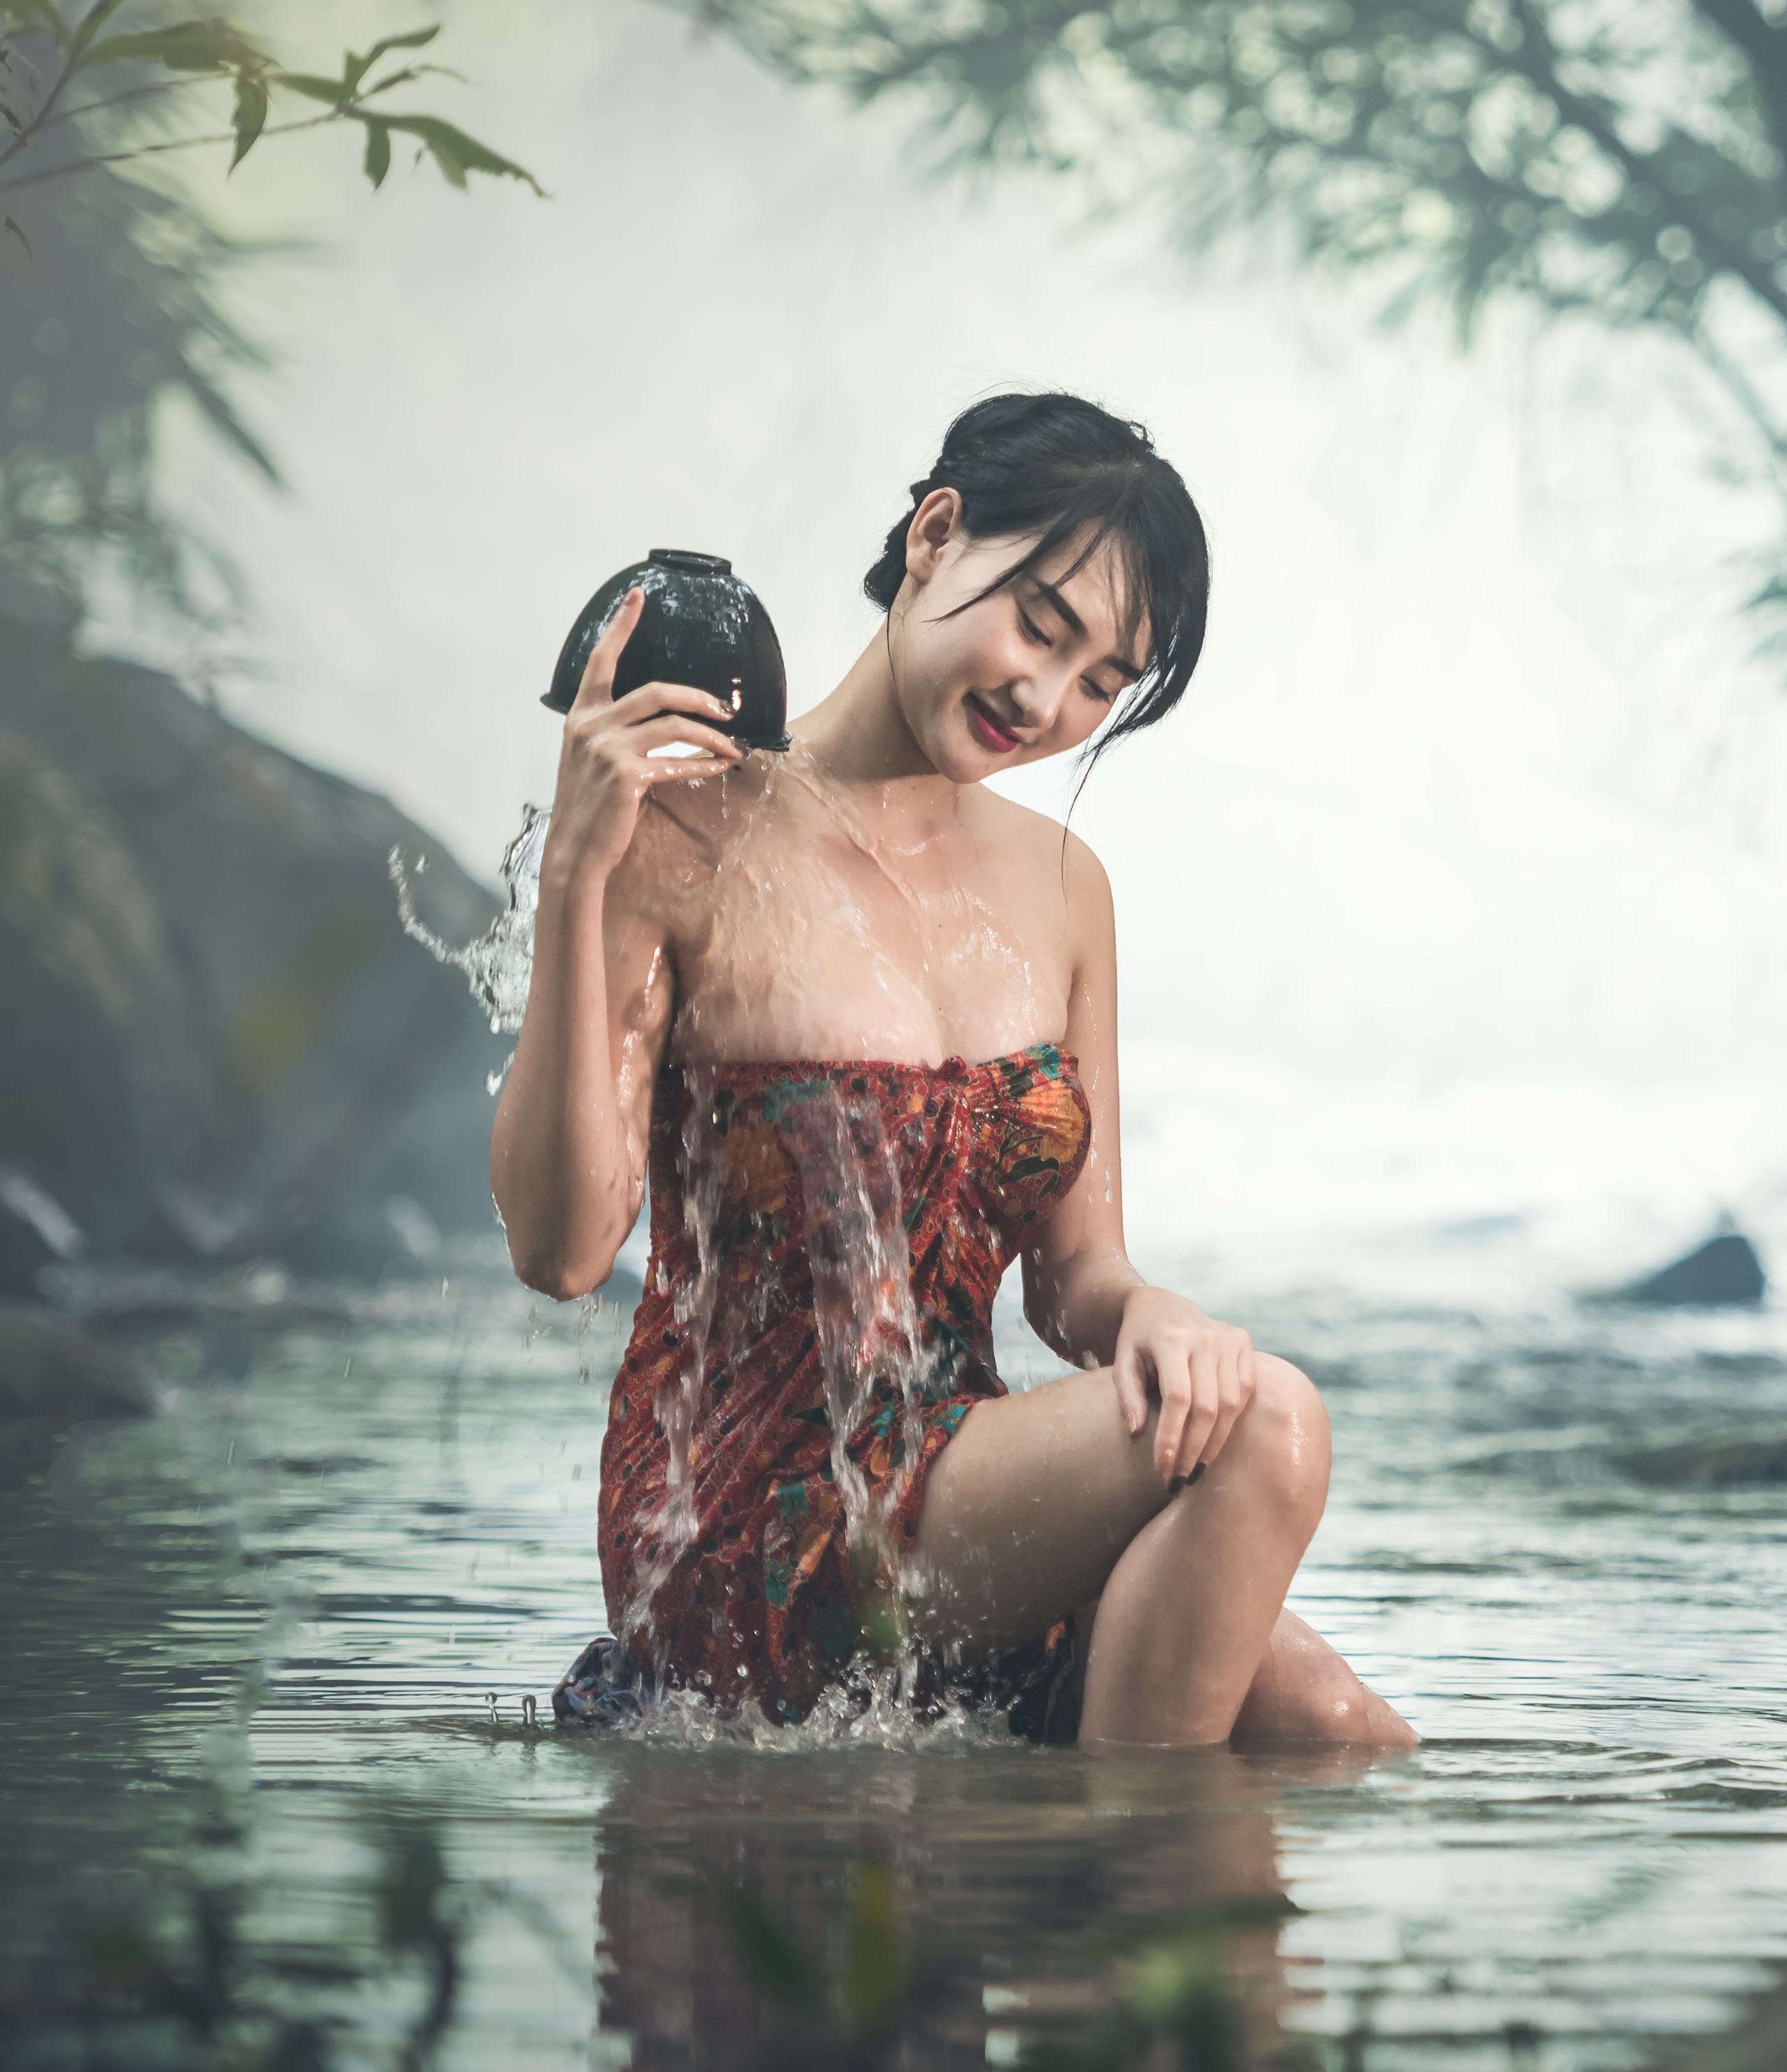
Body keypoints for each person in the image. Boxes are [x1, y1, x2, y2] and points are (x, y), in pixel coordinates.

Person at [491, 392, 1415, 1753]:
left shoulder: (1063, 888)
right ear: (935, 534)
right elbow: (562, 1247)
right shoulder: (685, 829)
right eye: (1041, 623)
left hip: (966, 1484)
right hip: (750, 1511)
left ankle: (1084, 1923)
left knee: (1339, 1737)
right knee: (1272, 1426)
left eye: (1105, 679)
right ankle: (1109, 1916)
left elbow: (1078, 1282)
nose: (1050, 698)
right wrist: (578, 872)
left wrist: (1153, 1313)